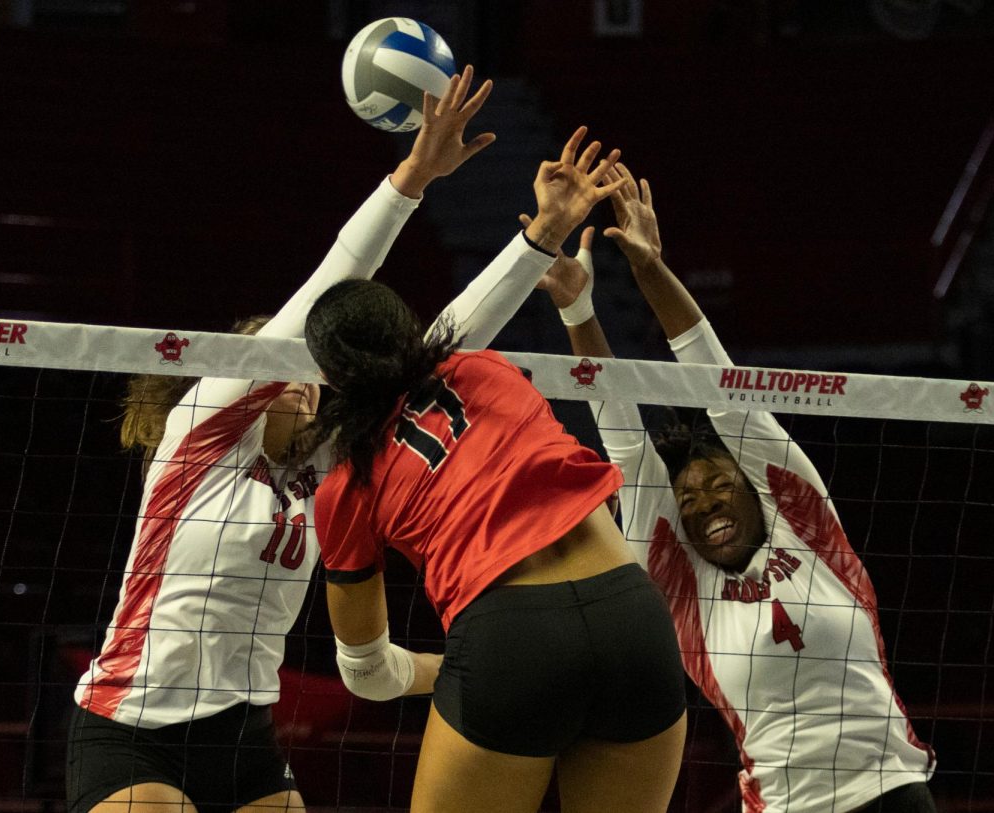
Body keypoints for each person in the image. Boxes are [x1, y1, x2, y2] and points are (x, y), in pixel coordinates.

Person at [66, 66, 564, 813]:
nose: (302, 376)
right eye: (282, 368)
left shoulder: (327, 464)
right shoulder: (200, 436)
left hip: (241, 731)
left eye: (313, 372)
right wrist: (413, 176)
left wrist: (541, 239)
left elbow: (440, 348)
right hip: (130, 722)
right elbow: (328, 285)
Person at [301, 128, 689, 813]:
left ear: (330, 376)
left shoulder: (347, 484)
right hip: (633, 616)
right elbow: (460, 331)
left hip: (511, 636)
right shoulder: (486, 368)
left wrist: (443, 670)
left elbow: (365, 671)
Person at [535, 163, 938, 812]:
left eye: (720, 485)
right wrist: (578, 306)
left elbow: (729, 398)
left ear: (755, 488)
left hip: (894, 792)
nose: (705, 505)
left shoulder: (809, 531)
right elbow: (627, 447)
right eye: (689, 500)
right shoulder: (683, 587)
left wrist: (649, 268)